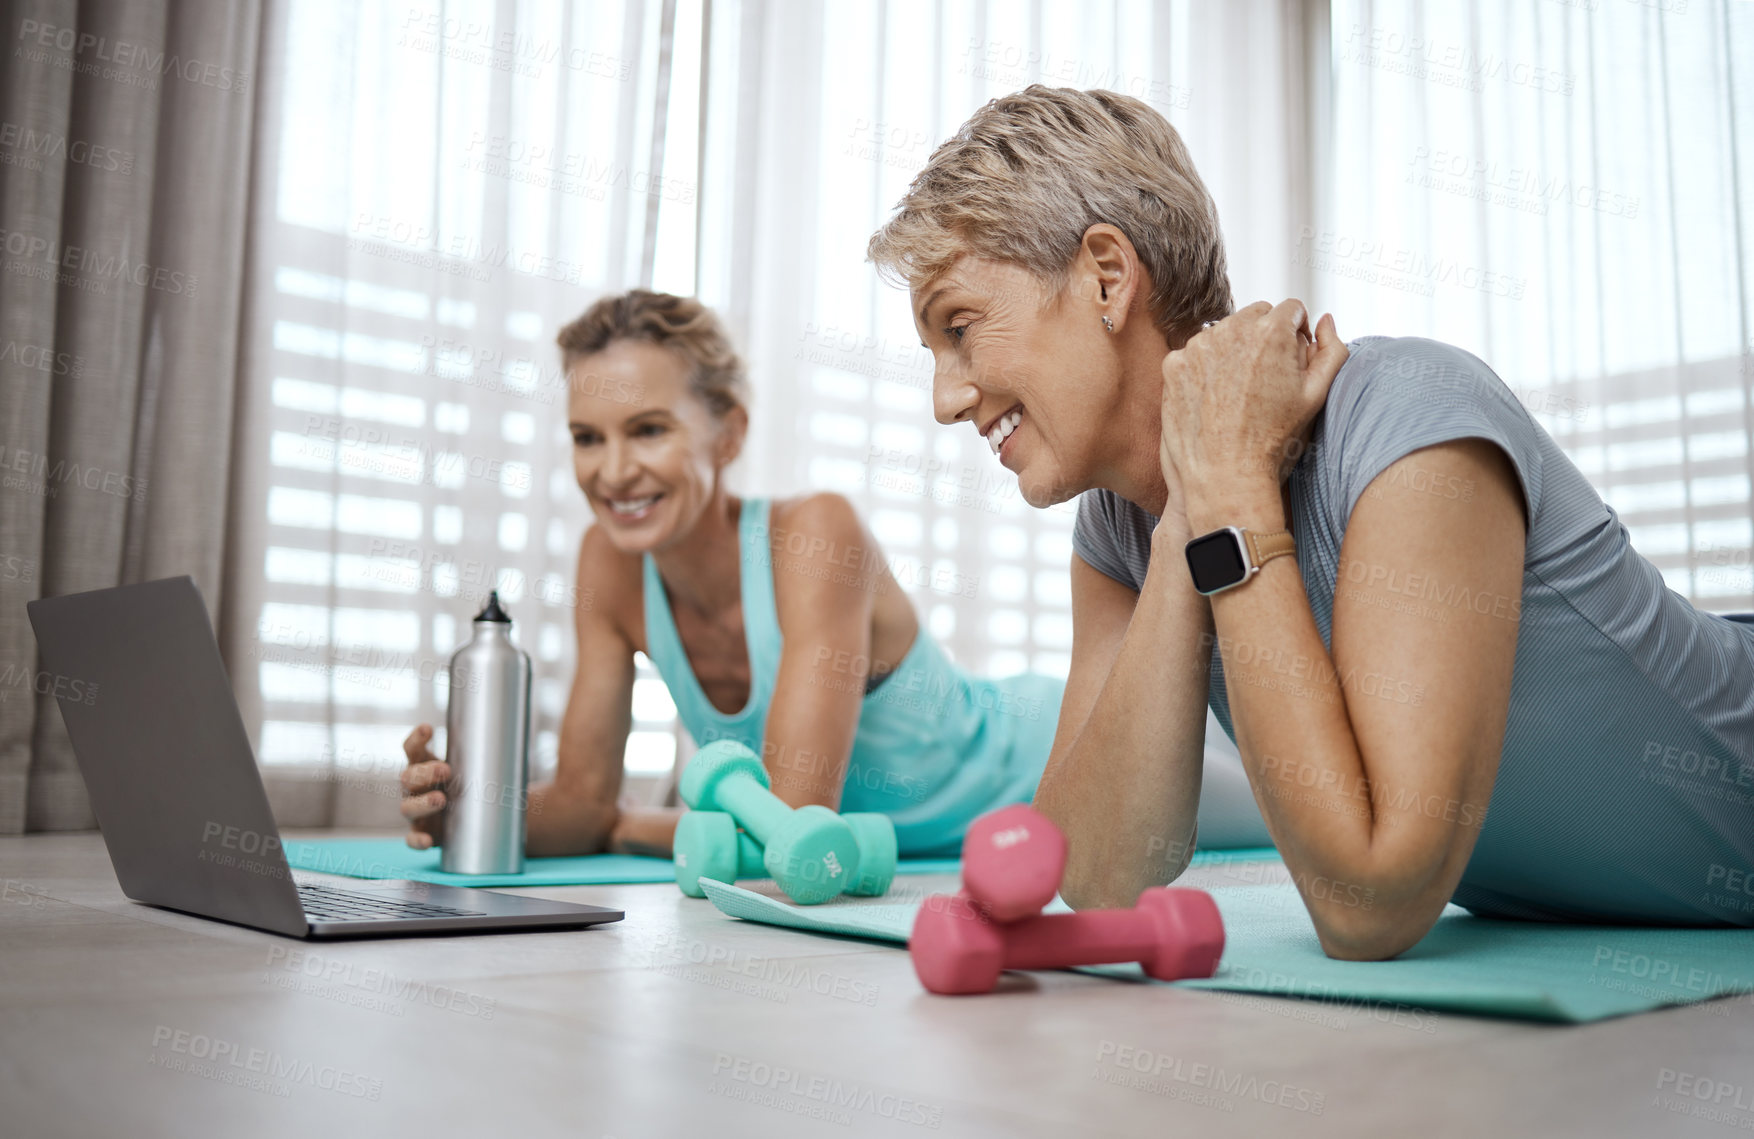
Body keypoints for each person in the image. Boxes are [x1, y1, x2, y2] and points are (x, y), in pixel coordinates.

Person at [865, 85, 1754, 958]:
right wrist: (1197, 506)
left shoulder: (1406, 416)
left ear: (1107, 275)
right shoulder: (1120, 533)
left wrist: (1223, 492)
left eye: (962, 327)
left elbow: (1370, 902)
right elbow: (1097, 872)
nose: (946, 399)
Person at [397, 290, 1073, 859]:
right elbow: (582, 803)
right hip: (971, 846)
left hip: (1056, 755)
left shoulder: (816, 534)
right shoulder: (609, 563)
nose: (612, 471)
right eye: (587, 438)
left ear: (729, 435)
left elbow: (792, 819)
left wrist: (629, 825)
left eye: (649, 429)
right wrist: (459, 813)